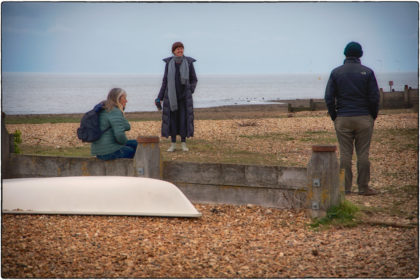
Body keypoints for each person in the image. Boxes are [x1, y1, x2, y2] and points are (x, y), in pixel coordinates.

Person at [324, 41, 380, 196]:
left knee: (345, 154)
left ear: (345, 54)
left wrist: (335, 115)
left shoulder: (336, 72)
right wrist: (372, 115)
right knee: (363, 154)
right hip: (363, 117)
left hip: (343, 117)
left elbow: (329, 97)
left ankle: (344, 188)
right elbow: (374, 97)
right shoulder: (367, 72)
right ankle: (363, 187)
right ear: (360, 54)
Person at [156, 41, 198, 152]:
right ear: (173, 51)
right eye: (177, 49)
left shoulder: (188, 62)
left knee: (183, 121)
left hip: (184, 98)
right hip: (171, 98)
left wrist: (190, 89)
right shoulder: (169, 63)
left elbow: (194, 79)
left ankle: (183, 143)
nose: (180, 50)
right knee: (173, 121)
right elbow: (165, 81)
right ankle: (173, 144)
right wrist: (159, 97)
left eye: (181, 48)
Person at [91, 88, 138, 160]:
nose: (126, 101)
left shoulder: (104, 108)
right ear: (118, 98)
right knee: (134, 151)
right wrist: (123, 144)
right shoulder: (114, 111)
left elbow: (127, 126)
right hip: (108, 152)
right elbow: (119, 135)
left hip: (99, 151)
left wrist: (121, 111)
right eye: (124, 98)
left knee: (136, 143)